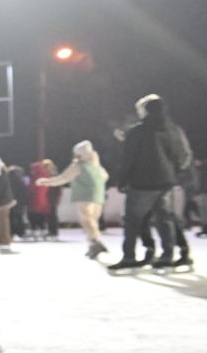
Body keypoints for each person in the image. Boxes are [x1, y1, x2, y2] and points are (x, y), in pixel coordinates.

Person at [110, 93, 194, 271]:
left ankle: (129, 256)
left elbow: (129, 158)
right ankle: (167, 255)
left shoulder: (138, 131)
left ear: (146, 110)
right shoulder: (173, 130)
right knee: (165, 219)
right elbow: (182, 156)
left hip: (142, 182)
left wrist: (122, 179)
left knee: (132, 220)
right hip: (167, 182)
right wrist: (173, 172)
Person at [36, 140, 109, 258]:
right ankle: (94, 243)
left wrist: (46, 182)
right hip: (98, 195)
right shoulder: (96, 165)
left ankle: (95, 242)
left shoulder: (78, 166)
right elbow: (105, 176)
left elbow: (63, 178)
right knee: (92, 221)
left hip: (85, 196)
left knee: (86, 221)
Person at [26, 159, 59, 240]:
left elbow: (31, 189)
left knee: (34, 216)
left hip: (36, 200)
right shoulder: (47, 175)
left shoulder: (36, 177)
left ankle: (36, 231)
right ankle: (45, 231)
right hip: (45, 200)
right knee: (44, 216)